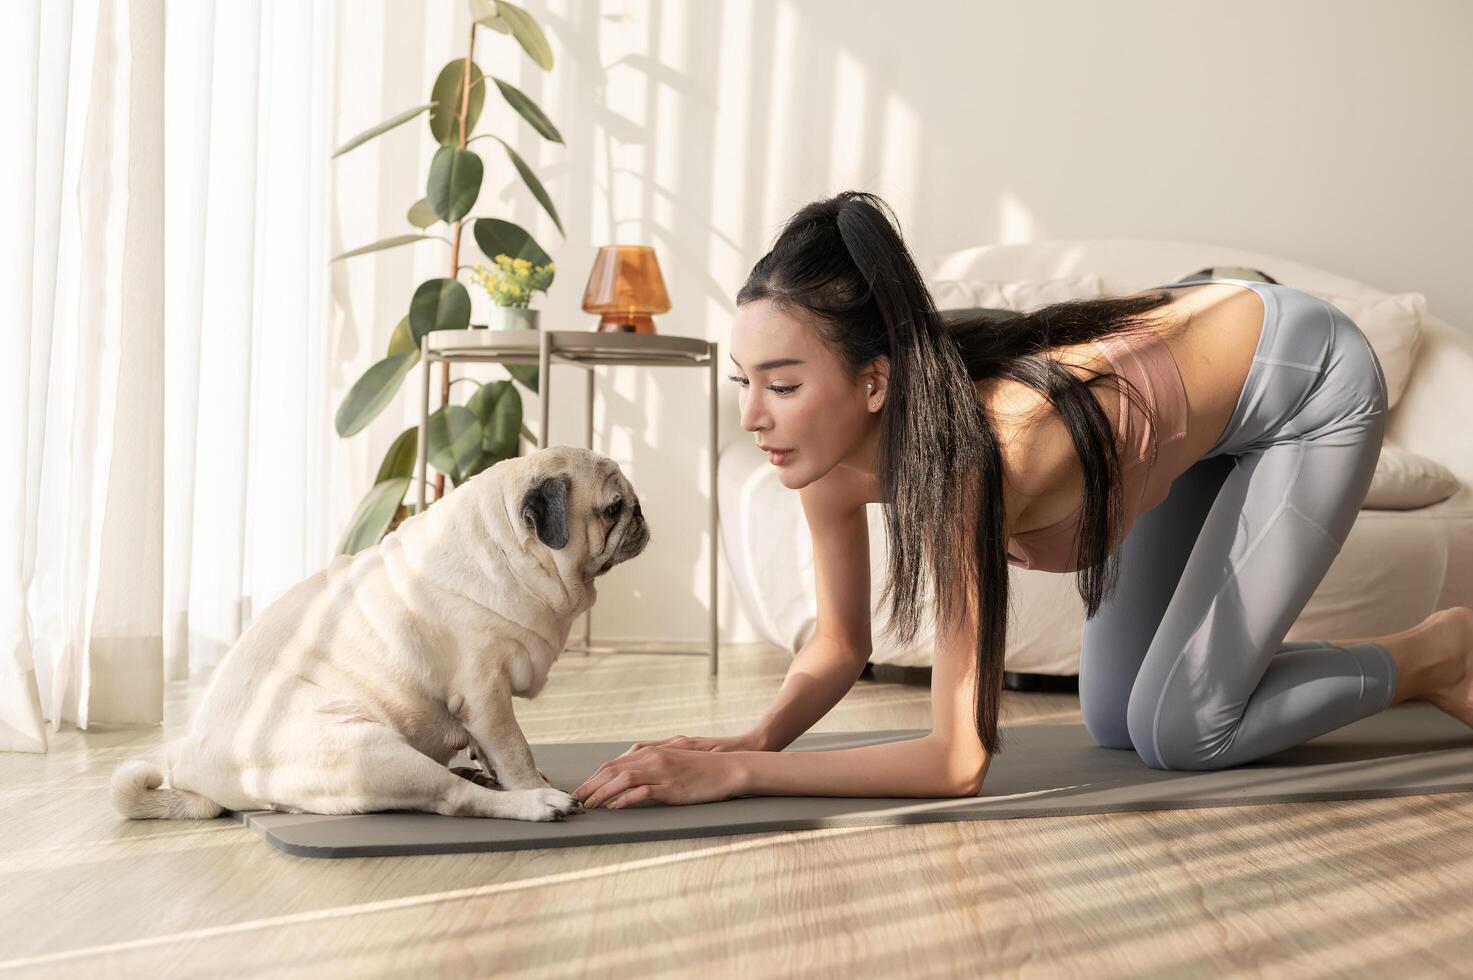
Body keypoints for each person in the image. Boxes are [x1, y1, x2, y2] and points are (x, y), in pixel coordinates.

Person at [571, 190, 1472, 811]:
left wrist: (739, 781)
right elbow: (841, 644)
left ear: (874, 381)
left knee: (1183, 730)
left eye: (782, 384)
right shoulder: (826, 464)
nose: (752, 417)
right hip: (1197, 388)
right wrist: (756, 738)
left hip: (1301, 375)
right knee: (1116, 716)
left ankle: (1437, 651)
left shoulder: (977, 453)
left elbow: (957, 761)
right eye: (744, 382)